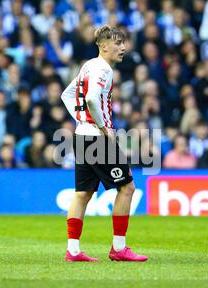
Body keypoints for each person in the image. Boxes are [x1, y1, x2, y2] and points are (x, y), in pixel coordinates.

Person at [61, 25, 147, 262]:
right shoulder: (104, 69)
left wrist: (81, 120)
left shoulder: (88, 65)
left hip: (82, 135)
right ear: (104, 46)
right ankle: (119, 248)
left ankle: (73, 251)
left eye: (123, 43)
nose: (123, 47)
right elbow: (90, 98)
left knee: (82, 194)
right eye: (118, 43)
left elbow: (67, 95)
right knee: (127, 188)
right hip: (97, 138)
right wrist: (101, 126)